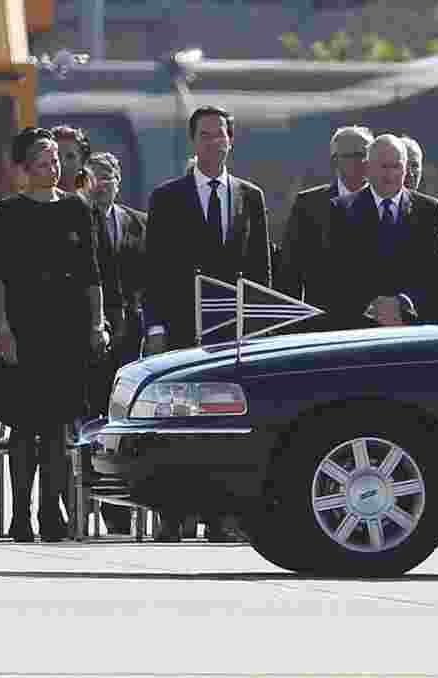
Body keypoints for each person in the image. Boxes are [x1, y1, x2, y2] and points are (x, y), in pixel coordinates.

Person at [143, 105, 271, 542]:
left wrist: (259, 333)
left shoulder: (250, 196)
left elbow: (260, 274)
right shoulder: (167, 197)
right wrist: (155, 328)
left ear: (231, 140)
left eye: (221, 135)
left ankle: (222, 514)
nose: (214, 142)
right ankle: (173, 514)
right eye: (205, 135)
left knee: (226, 425)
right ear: (193, 142)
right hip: (181, 330)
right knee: (177, 424)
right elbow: (155, 271)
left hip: (232, 334)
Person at [0, 127, 105, 542]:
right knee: (24, 427)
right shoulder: (10, 212)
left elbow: (92, 274)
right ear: (25, 168)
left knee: (57, 430)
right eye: (43, 162)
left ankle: (50, 512)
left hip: (65, 333)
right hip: (24, 330)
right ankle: (20, 513)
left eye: (56, 161)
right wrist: (2, 327)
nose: (52, 169)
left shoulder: (76, 209)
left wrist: (96, 323)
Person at [323, 134, 438, 330]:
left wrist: (403, 303)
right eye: (383, 167)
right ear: (367, 168)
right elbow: (334, 271)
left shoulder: (430, 211)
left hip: (414, 326)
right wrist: (376, 307)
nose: (390, 175)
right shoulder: (341, 210)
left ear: (406, 168)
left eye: (396, 167)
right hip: (359, 327)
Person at [84, 151, 148, 535]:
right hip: (91, 339)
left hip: (131, 339)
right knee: (92, 422)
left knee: (124, 423)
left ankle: (121, 513)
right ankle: (88, 503)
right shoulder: (78, 221)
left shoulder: (139, 223)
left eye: (109, 175)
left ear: (119, 180)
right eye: (95, 176)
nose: (103, 182)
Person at [279, 125, 373, 304]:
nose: (360, 162)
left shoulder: (388, 202)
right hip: (325, 319)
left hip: (376, 322)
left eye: (364, 155)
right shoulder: (309, 204)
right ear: (335, 160)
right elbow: (290, 270)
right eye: (351, 156)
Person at [51, 125, 91, 194]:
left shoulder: (91, 201)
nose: (62, 163)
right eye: (57, 156)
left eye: (70, 157)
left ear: (83, 162)